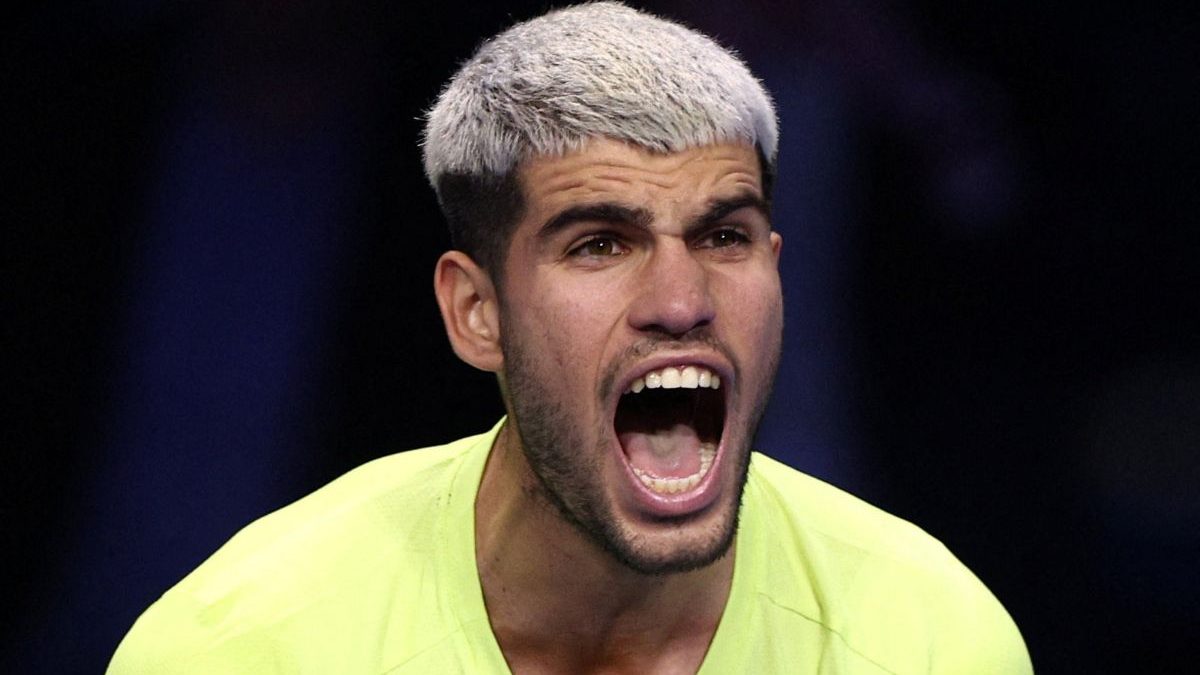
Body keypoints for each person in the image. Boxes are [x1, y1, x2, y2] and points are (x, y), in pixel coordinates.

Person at [109, 3, 1031, 672]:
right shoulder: (239, 647)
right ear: (477, 313)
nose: (682, 299)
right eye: (600, 243)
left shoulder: (931, 639)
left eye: (723, 236)